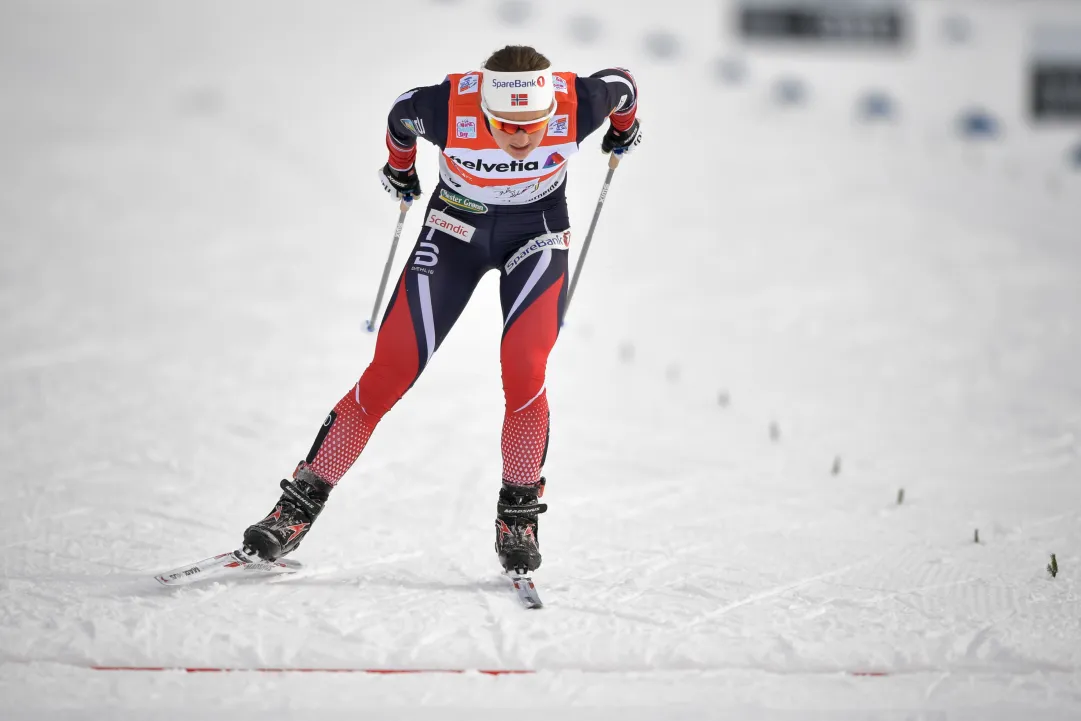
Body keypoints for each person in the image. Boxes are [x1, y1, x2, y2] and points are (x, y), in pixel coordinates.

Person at [241, 45, 641, 575]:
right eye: (506, 126)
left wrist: (623, 129)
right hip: (454, 233)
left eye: (535, 125)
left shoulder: (579, 102)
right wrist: (399, 168)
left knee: (525, 367)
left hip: (537, 234)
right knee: (390, 371)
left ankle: (518, 512)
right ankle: (294, 509)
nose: (522, 139)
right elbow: (400, 113)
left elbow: (625, 85)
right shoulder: (447, 108)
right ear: (485, 112)